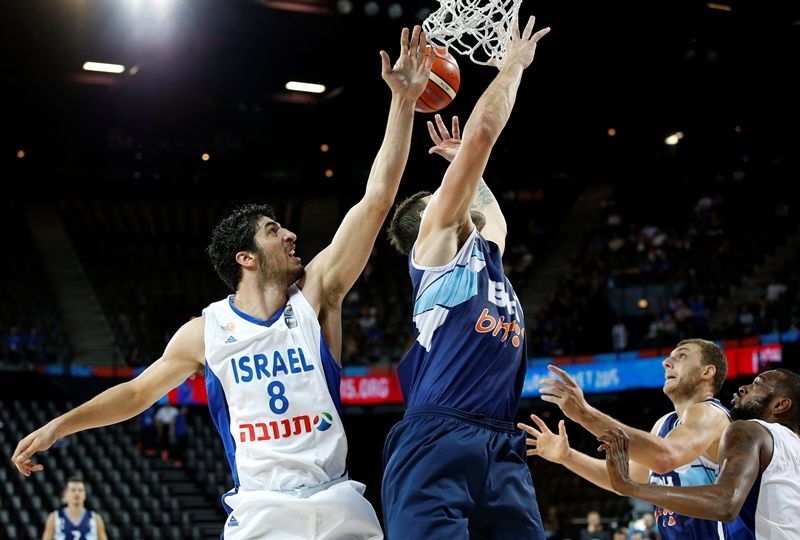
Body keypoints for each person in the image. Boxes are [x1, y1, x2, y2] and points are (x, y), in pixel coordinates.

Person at [12, 25, 435, 540]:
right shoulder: (206, 331)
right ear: (246, 258)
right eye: (274, 231)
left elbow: (377, 199)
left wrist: (403, 103)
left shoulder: (318, 294)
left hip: (337, 502)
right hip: (262, 513)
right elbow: (137, 393)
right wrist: (58, 426)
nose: (291, 235)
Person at [382, 14, 551, 539]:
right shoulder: (435, 249)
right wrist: (512, 67)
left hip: (500, 441)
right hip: (437, 436)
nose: (454, 191)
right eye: (444, 194)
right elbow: (482, 133)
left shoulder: (483, 254)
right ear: (429, 221)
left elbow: (494, 218)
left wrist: (463, 165)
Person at [518, 338, 750, 539]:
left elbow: (666, 457)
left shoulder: (712, 414)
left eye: (682, 356)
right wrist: (568, 457)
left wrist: (585, 415)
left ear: (707, 372)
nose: (666, 362)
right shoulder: (664, 424)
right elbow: (623, 479)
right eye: (669, 357)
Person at [600, 368, 800, 539]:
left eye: (757, 384)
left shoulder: (749, 430)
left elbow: (724, 503)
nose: (743, 388)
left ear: (780, 405)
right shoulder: (794, 447)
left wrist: (630, 487)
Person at [42, 476, 108, 540]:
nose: (77, 493)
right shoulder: (54, 518)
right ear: (65, 494)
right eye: (73, 490)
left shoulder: (95, 519)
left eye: (80, 490)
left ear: (85, 494)